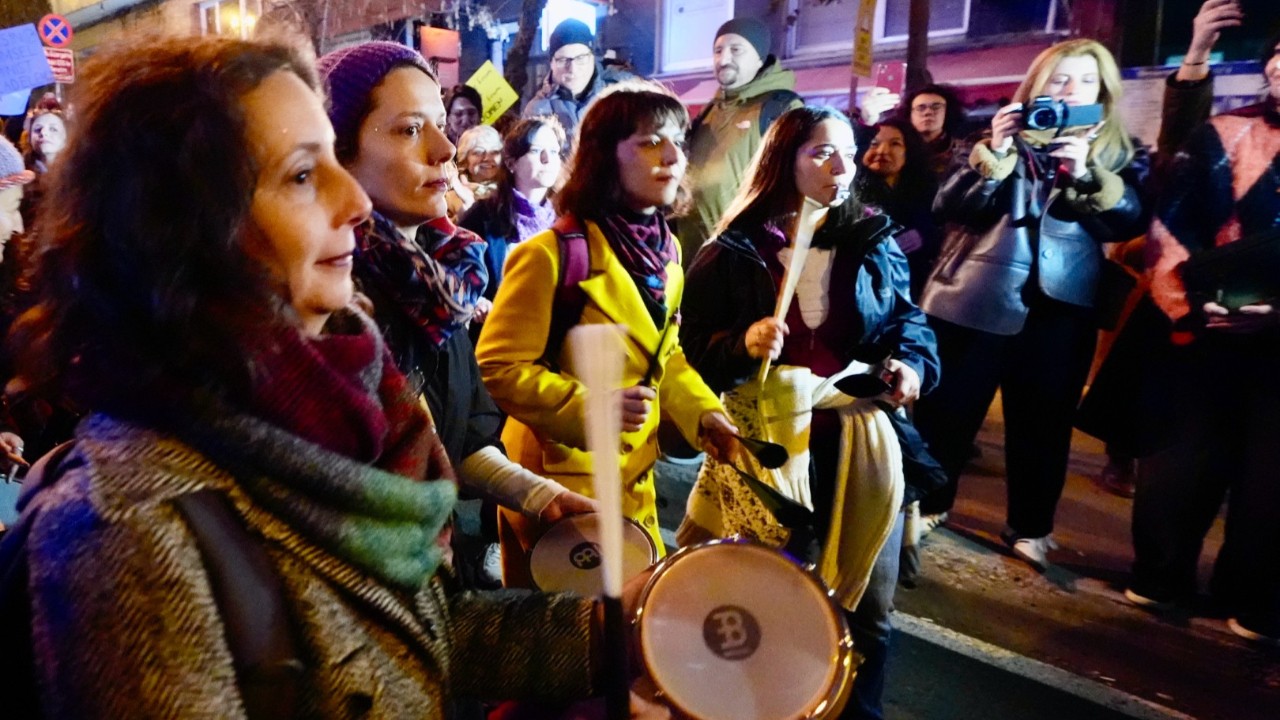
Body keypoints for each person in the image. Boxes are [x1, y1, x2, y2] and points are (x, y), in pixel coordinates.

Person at [2, 35, 611, 717]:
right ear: (188, 228)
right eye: (301, 174)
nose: (353, 200)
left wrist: (620, 633)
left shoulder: (355, 400)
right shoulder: (124, 531)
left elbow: (413, 632)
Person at [679, 105, 939, 720]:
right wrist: (741, 345)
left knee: (869, 608)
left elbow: (908, 321)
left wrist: (911, 365)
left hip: (862, 438)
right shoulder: (735, 250)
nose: (841, 166)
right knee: (761, 594)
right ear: (783, 160)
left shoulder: (872, 238)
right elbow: (690, 354)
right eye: (821, 152)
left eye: (848, 151)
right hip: (770, 445)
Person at [317, 41, 596, 582]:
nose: (445, 148)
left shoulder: (444, 282)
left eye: (441, 123)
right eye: (408, 129)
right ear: (336, 150)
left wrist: (540, 494)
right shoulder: (329, 304)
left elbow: (459, 441)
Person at [477, 80, 739, 586]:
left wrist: (703, 412)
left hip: (634, 484)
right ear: (603, 155)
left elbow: (664, 357)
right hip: (557, 488)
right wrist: (593, 405)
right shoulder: (552, 254)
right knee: (569, 647)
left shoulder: (667, 255)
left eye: (678, 142)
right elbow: (499, 368)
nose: (671, 157)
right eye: (648, 142)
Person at [912, 39, 1148, 571]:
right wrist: (994, 157)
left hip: (1062, 307)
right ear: (1036, 86)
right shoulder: (992, 139)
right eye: (1059, 79)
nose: (1069, 91)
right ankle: (929, 503)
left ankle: (1031, 526)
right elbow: (948, 207)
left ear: (1103, 93)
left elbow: (1128, 222)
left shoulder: (1115, 151)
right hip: (974, 296)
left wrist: (1088, 173)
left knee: (1043, 425)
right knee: (946, 414)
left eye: (1085, 81)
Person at [1127, 28, 1280, 644]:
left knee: (1272, 483)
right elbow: (1171, 228)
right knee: (1180, 468)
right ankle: (1161, 574)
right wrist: (1189, 307)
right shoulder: (1222, 132)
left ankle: (1257, 595)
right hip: (1206, 336)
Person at [683, 17, 802, 266]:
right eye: (718, 50)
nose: (723, 59)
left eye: (736, 50)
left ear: (759, 58)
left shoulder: (780, 107)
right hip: (693, 251)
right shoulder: (710, 110)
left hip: (744, 256)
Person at [460, 115, 566, 340]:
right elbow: (456, 270)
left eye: (555, 152)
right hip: (500, 337)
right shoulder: (483, 216)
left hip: (554, 337)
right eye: (537, 151)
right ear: (511, 162)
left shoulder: (567, 217)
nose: (548, 159)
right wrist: (475, 299)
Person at [857, 117, 941, 299]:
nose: (882, 151)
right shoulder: (854, 190)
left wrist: (924, 235)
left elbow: (942, 227)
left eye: (895, 144)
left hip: (916, 287)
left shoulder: (926, 188)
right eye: (873, 144)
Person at [523, 19, 635, 143]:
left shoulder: (624, 93)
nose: (572, 69)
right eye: (563, 60)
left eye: (581, 58)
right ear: (552, 63)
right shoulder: (537, 110)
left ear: (593, 57)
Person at [447, 124, 503, 218]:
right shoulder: (451, 198)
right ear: (465, 161)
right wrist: (467, 205)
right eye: (478, 152)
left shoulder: (512, 190)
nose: (487, 158)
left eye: (494, 152)